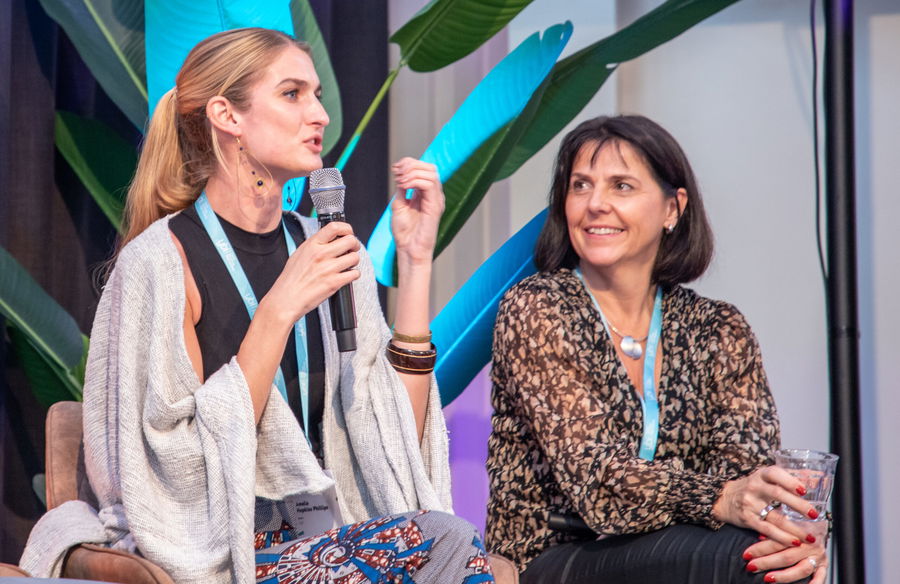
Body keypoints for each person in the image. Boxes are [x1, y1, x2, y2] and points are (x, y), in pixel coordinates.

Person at [21, 27, 494, 584]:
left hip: (331, 533)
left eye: (317, 95)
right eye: (293, 94)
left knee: (446, 540)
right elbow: (173, 471)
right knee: (444, 545)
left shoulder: (332, 249)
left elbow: (392, 440)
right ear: (228, 116)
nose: (318, 115)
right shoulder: (161, 263)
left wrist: (416, 266)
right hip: (222, 546)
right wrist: (277, 310)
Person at [485, 115, 829, 584]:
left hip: (681, 545)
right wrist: (718, 499)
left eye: (621, 186)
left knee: (776, 555)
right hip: (554, 555)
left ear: (673, 207)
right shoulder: (538, 307)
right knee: (741, 557)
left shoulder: (718, 328)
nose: (595, 204)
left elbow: (744, 472)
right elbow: (597, 479)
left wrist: (786, 532)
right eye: (580, 186)